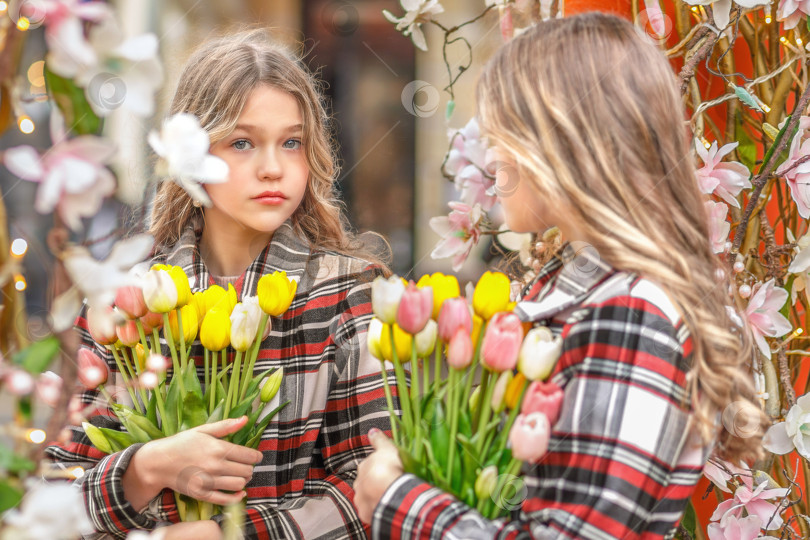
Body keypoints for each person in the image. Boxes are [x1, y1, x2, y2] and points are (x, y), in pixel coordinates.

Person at [354, 12, 768, 540]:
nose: (491, 158)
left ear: (563, 146)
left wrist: (396, 497)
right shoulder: (591, 292)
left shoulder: (629, 317)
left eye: (503, 135)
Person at [45, 29, 397, 540]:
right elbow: (54, 491)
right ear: (190, 156)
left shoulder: (348, 293)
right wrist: (144, 470)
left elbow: (374, 487)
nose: (273, 167)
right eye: (242, 142)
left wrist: (233, 535)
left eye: (292, 142)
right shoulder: (127, 299)